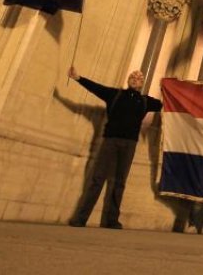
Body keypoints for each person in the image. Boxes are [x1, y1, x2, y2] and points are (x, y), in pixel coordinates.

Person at [67, 66, 162, 229]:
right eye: (133, 76)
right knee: (97, 180)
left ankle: (112, 220)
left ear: (142, 83)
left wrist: (173, 89)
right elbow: (96, 88)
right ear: (128, 80)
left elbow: (166, 103)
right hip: (110, 141)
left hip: (129, 144)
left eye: (139, 78)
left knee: (119, 182)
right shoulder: (115, 94)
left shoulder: (146, 101)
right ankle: (81, 218)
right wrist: (78, 78)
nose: (135, 78)